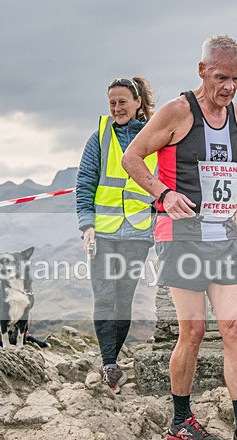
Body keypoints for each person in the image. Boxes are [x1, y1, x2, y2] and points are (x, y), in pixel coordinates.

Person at [122, 35, 237, 440]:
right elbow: (132, 158)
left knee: (236, 328)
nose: (228, 88)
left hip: (223, 234)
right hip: (181, 235)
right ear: (202, 70)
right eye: (222, 77)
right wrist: (162, 194)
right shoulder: (177, 111)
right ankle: (180, 420)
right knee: (192, 330)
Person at [75, 76, 157, 394]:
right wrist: (87, 225)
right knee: (105, 296)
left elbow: (164, 181)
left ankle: (113, 357)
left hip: (138, 232)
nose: (117, 108)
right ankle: (109, 363)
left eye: (123, 101)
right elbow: (85, 183)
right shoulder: (99, 137)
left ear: (137, 102)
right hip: (104, 231)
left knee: (124, 299)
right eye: (112, 102)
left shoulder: (155, 134)